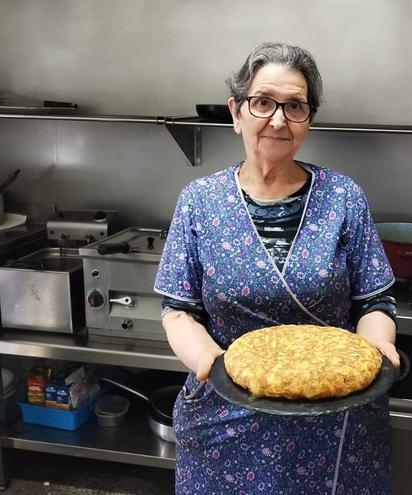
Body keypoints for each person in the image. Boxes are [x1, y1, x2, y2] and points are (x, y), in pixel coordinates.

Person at [154, 42, 399, 494]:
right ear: (236, 111)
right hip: (226, 419)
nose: (279, 119)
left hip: (336, 416)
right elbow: (178, 310)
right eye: (264, 102)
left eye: (295, 106)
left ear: (309, 118)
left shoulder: (343, 198)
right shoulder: (199, 202)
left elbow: (374, 300)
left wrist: (376, 346)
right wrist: (215, 367)